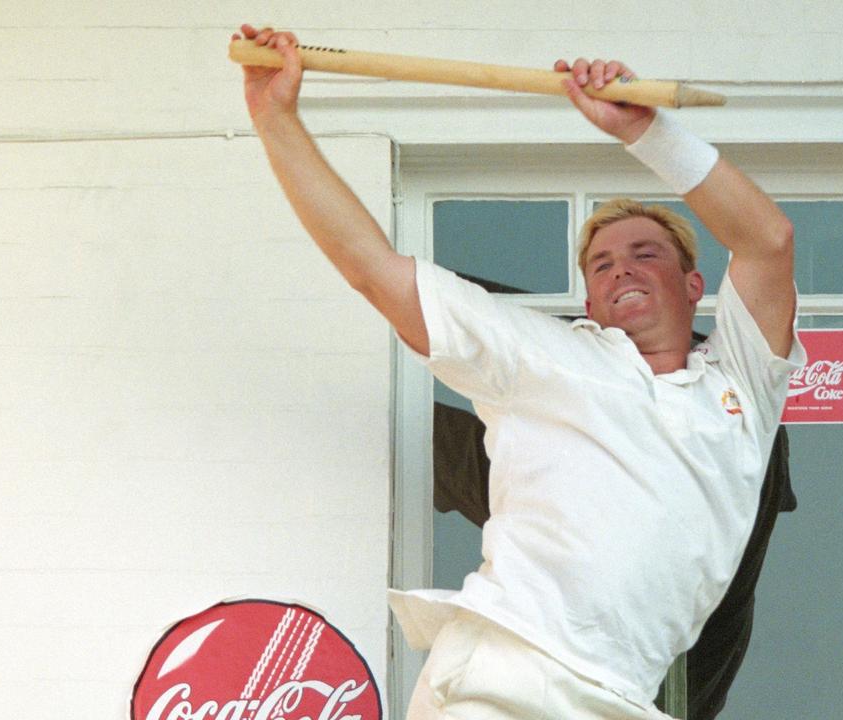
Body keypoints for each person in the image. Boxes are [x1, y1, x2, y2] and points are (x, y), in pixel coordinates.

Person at [234, 23, 804, 720]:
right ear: (590, 303)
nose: (621, 265)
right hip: (507, 678)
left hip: (624, 697)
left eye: (646, 253)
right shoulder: (542, 356)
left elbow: (769, 239)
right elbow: (373, 270)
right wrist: (276, 121)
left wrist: (646, 134)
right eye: (601, 264)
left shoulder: (743, 382)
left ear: (693, 285)